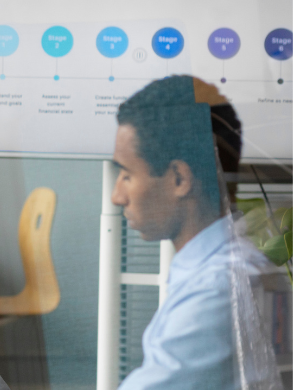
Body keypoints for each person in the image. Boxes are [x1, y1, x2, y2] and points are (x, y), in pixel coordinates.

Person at [111, 75, 280, 390]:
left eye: (127, 175)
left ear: (179, 179)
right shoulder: (218, 269)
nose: (116, 196)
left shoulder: (217, 290)